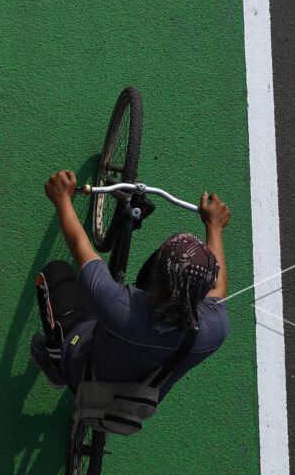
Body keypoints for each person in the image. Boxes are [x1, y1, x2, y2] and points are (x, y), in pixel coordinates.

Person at [31, 169, 231, 399]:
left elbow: (80, 246)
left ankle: (56, 365)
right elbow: (219, 290)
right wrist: (214, 227)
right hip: (136, 401)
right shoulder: (214, 329)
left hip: (84, 375)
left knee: (56, 272)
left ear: (158, 274)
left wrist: (62, 199)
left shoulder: (118, 306)